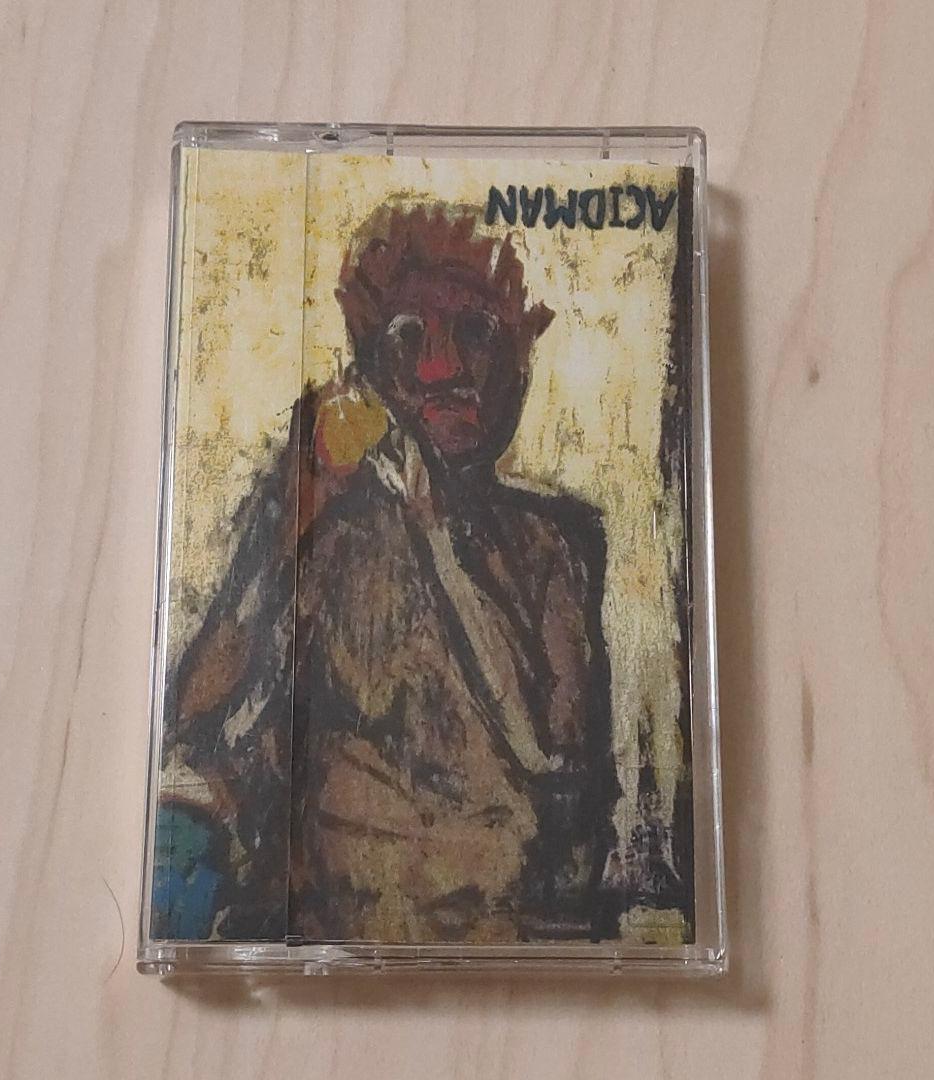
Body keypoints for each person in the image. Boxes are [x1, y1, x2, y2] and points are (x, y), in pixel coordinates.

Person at [153, 205, 621, 944]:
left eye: (475, 332)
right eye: (408, 337)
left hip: (498, 944)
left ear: (517, 361)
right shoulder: (328, 530)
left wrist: (436, 532)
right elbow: (191, 714)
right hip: (327, 940)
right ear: (373, 368)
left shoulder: (553, 544)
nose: (444, 367)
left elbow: (553, 762)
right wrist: (285, 524)